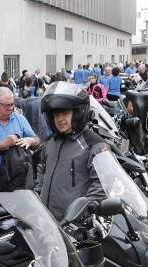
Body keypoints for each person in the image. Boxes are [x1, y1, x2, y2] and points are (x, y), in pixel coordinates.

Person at [34, 82, 109, 220]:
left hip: (73, 223)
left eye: (65, 113)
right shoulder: (50, 142)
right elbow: (42, 172)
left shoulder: (94, 144)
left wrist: (83, 211)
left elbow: (102, 184)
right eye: (56, 115)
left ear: (77, 113)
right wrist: (36, 196)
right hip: (47, 219)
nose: (60, 119)